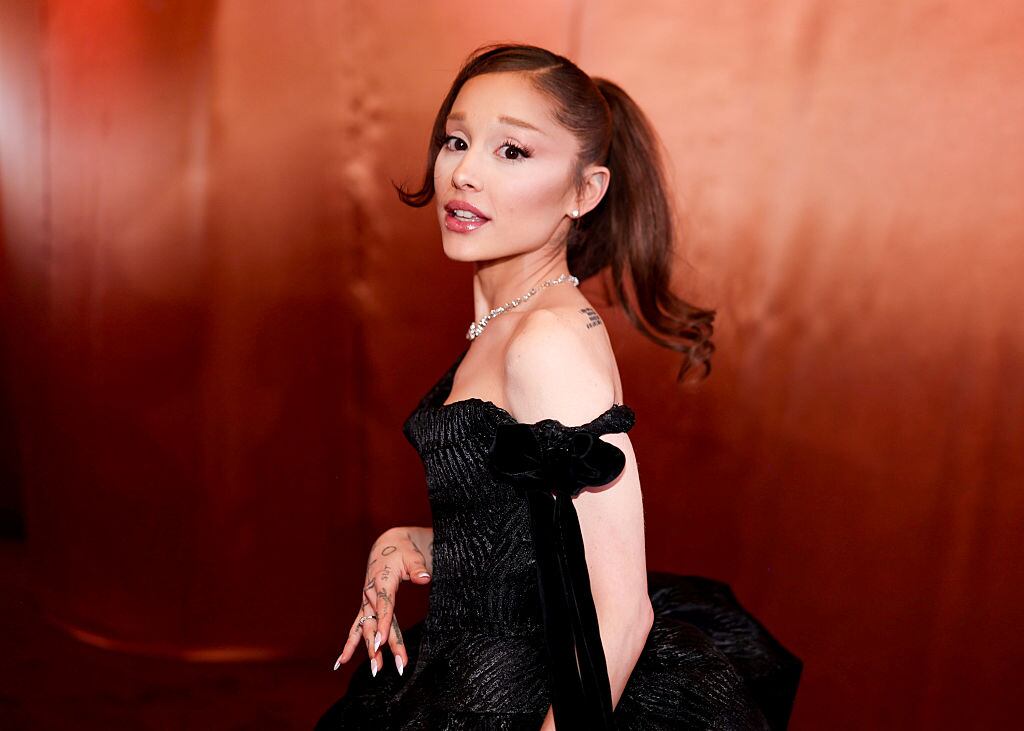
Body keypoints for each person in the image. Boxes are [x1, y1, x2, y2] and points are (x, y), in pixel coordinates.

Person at [314, 43, 801, 730]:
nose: (464, 174)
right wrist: (411, 540)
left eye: (512, 151)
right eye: (457, 140)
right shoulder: (509, 323)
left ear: (585, 191)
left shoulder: (550, 341)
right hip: (470, 677)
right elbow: (524, 546)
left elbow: (620, 613)